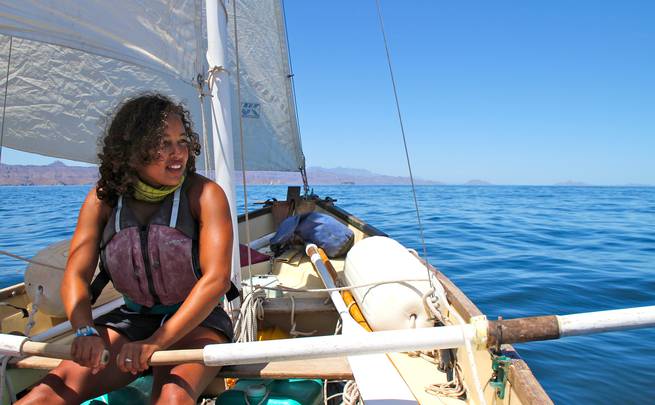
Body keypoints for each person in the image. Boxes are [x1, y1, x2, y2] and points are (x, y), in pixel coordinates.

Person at [17, 93, 234, 405]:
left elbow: (216, 280)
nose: (177, 153)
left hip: (198, 322)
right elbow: (77, 275)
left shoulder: (204, 195)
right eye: (163, 143)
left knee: (172, 398)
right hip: (132, 319)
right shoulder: (102, 201)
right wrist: (84, 331)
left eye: (182, 141)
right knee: (45, 395)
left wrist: (157, 342)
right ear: (132, 150)